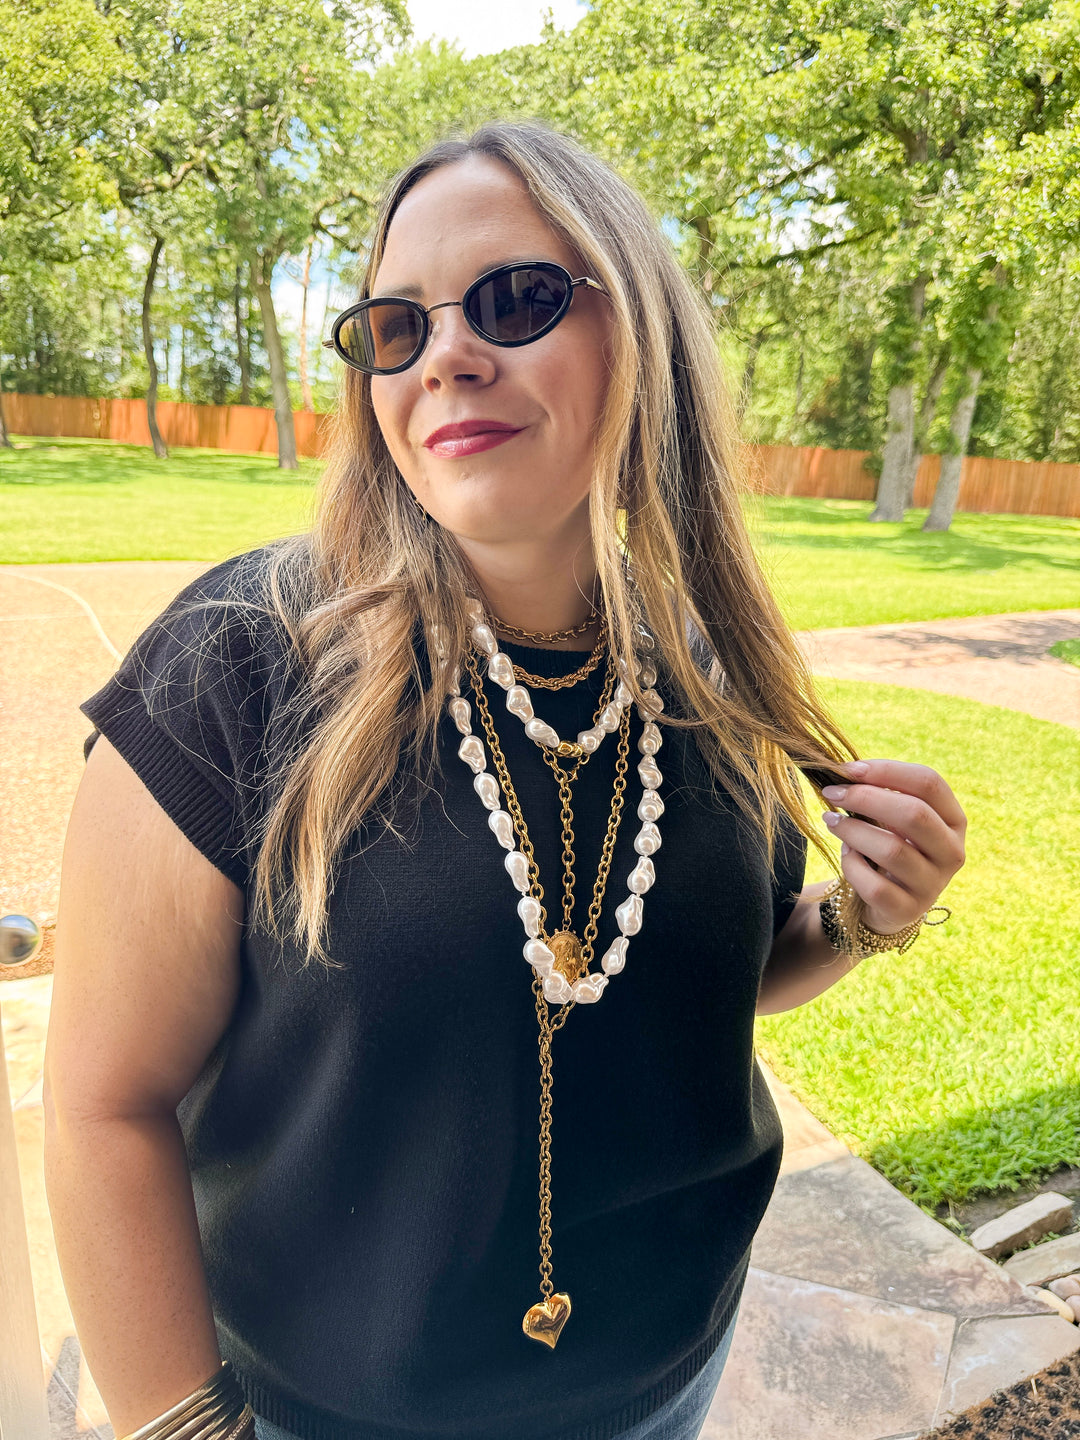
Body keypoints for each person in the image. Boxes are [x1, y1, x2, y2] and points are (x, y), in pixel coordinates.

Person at [43, 120, 966, 1440]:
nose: (449, 356)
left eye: (516, 300)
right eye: (394, 328)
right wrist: (189, 1430)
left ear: (639, 328)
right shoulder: (240, 663)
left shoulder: (713, 677)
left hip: (666, 1381)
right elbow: (99, 1106)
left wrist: (865, 916)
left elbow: (701, 980)